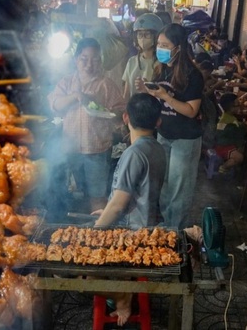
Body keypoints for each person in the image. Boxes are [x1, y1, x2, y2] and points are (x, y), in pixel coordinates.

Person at [91, 92, 166, 325]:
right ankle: (123, 292)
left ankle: (121, 295)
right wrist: (105, 213)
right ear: (158, 122)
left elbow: (119, 204)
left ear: (125, 118)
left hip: (132, 232)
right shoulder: (157, 148)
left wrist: (98, 227)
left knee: (77, 270)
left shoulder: (134, 154)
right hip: (149, 222)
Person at [136, 23, 204, 229]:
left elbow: (192, 110)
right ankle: (166, 227)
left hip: (185, 139)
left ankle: (177, 233)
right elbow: (161, 101)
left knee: (179, 191)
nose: (160, 48)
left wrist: (165, 94)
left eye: (165, 45)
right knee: (164, 186)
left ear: (179, 48)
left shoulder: (193, 75)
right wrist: (148, 90)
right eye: (159, 44)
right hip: (164, 134)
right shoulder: (162, 69)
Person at [48, 37, 126, 213]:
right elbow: (54, 105)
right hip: (71, 149)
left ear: (100, 62)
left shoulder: (106, 85)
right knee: (74, 194)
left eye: (95, 60)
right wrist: (74, 97)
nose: (89, 64)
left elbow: (121, 113)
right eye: (84, 59)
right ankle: (78, 230)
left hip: (97, 150)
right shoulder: (66, 82)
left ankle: (97, 231)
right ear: (76, 59)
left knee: (97, 197)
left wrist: (105, 109)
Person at [122, 13, 164, 100]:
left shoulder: (162, 63)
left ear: (156, 37)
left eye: (147, 34)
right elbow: (126, 93)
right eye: (140, 34)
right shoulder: (132, 61)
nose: (143, 38)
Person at [214, 93, 247, 173]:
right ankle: (223, 167)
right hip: (222, 146)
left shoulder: (228, 117)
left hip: (227, 144)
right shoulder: (227, 122)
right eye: (237, 105)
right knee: (239, 157)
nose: (239, 106)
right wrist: (246, 126)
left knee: (242, 149)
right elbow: (238, 132)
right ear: (231, 108)